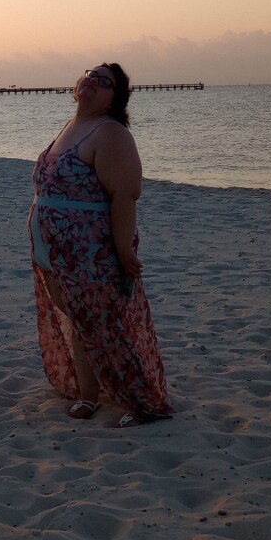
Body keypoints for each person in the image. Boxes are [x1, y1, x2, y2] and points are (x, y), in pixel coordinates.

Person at [28, 63, 173, 427]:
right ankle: (89, 396)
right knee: (81, 322)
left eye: (104, 82)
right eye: (90, 74)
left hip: (91, 253)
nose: (92, 80)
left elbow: (126, 194)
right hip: (54, 254)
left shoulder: (111, 133)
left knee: (111, 326)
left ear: (114, 100)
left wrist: (124, 250)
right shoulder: (71, 126)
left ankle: (140, 401)